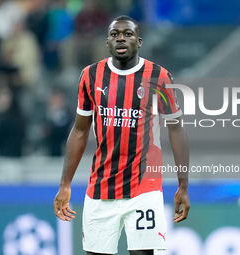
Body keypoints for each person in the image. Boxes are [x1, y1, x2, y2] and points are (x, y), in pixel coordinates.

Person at [54, 15, 190, 255]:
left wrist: (183, 185)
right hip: (100, 189)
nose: (121, 38)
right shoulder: (90, 76)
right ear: (107, 42)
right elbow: (80, 130)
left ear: (139, 41)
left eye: (127, 34)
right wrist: (65, 184)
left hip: (143, 188)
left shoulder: (159, 77)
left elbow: (176, 128)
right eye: (115, 34)